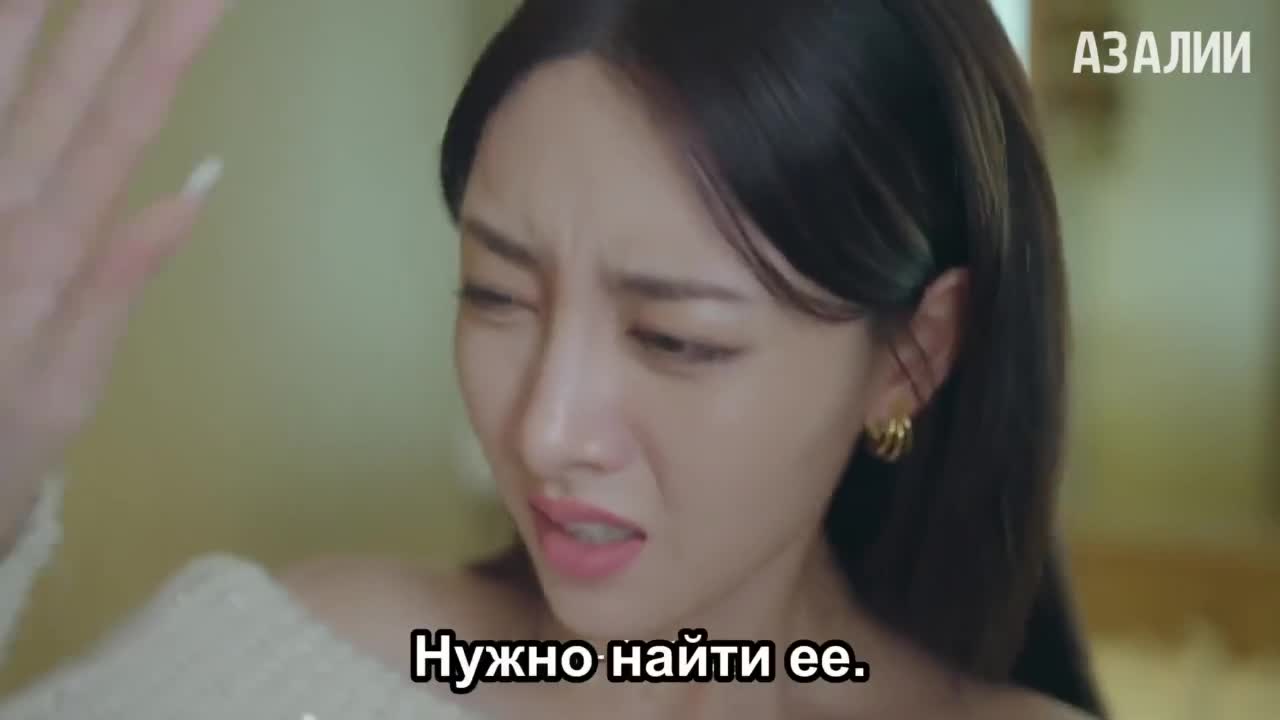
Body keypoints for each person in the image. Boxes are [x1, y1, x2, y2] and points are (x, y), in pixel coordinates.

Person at [0, 0, 1106, 717]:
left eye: (675, 339)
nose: (542, 431)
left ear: (910, 355)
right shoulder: (307, 665)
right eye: (495, 294)